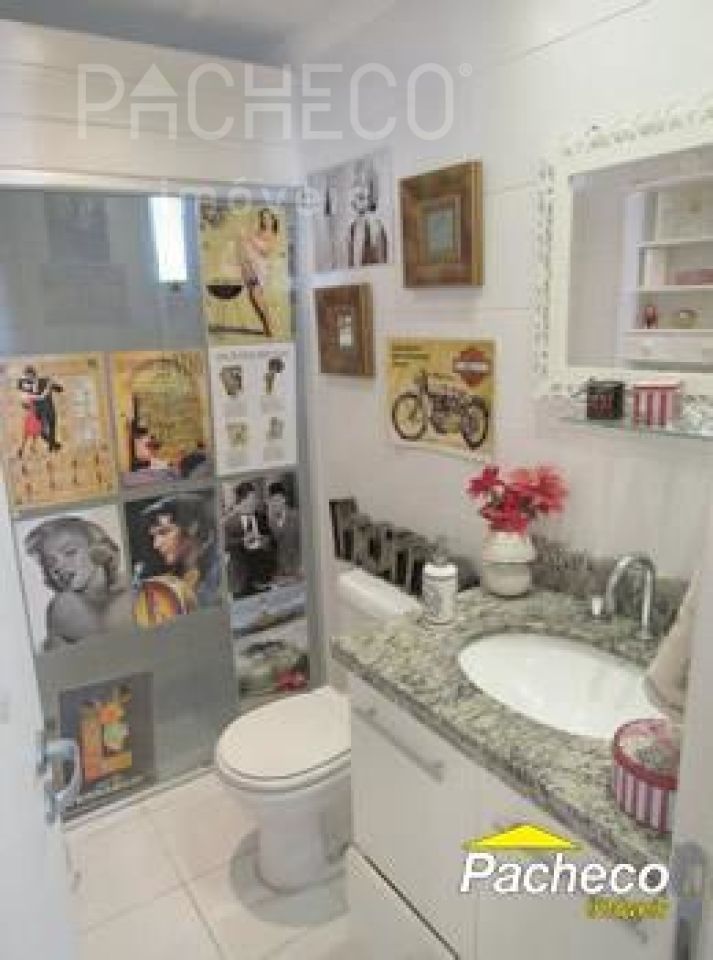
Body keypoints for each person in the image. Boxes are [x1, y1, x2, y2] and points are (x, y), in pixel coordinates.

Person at [24, 516, 131, 649]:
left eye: (70, 552)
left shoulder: (133, 587)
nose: (58, 566)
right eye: (50, 562)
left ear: (99, 550)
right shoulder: (64, 605)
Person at [134, 494, 221, 624]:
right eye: (153, 536)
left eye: (164, 532)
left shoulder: (218, 570)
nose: (156, 544)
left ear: (192, 528)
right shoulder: (152, 573)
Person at [223, 481, 275, 595]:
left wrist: (264, 541)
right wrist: (243, 542)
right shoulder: (229, 523)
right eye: (252, 499)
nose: (255, 502)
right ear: (242, 500)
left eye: (255, 499)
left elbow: (271, 539)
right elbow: (225, 544)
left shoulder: (261, 517)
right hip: (240, 580)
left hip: (261, 578)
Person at [347, 158, 388, 268]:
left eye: (363, 184)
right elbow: (351, 265)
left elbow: (381, 265)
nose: (358, 190)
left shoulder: (377, 228)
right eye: (356, 183)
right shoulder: (352, 228)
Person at [17, 365, 63, 456]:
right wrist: (25, 405)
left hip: (49, 409)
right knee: (42, 432)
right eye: (26, 376)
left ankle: (52, 447)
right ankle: (53, 445)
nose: (28, 378)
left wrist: (56, 386)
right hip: (39, 413)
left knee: (51, 429)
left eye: (29, 376)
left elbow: (58, 388)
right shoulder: (28, 386)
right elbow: (28, 400)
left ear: (33, 374)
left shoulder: (45, 380)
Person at [266, 481, 302, 579]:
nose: (275, 504)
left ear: (284, 499)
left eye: (278, 500)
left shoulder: (297, 516)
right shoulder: (268, 521)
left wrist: (302, 565)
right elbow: (270, 548)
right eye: (272, 501)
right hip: (279, 573)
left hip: (297, 569)